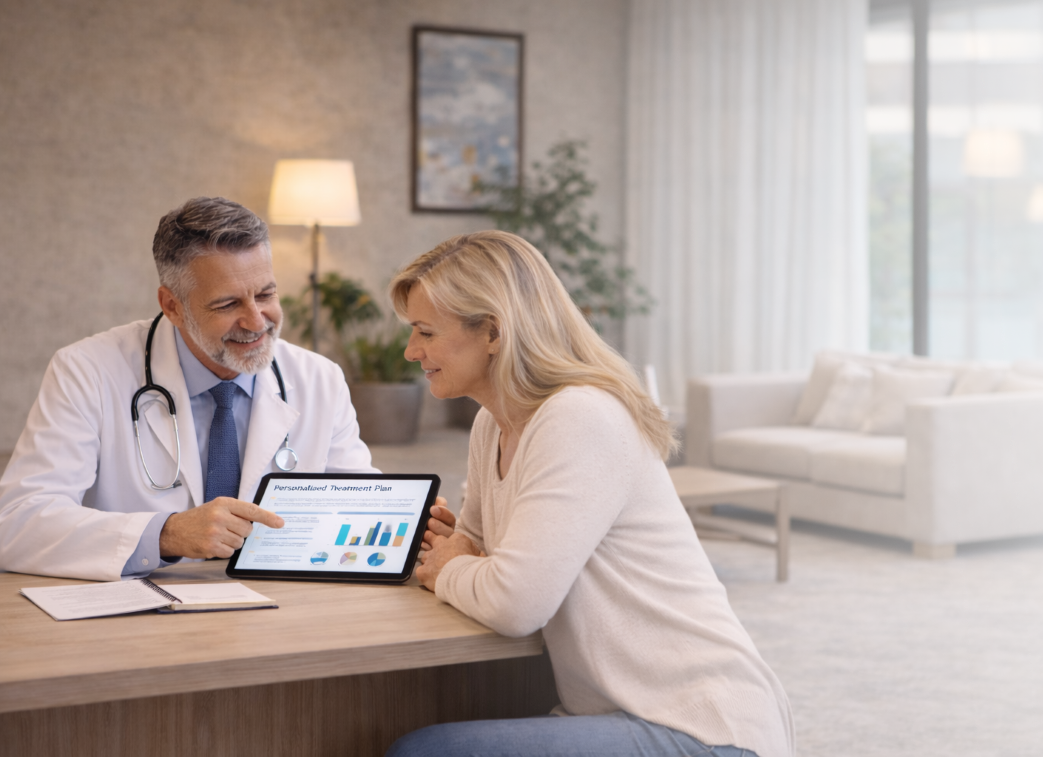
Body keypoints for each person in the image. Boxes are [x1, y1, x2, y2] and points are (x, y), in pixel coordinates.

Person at [386, 231, 794, 757]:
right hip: (619, 710)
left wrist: (453, 566)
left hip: (700, 724)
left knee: (425, 754)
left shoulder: (579, 415)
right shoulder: (493, 424)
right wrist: (455, 555)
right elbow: (477, 552)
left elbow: (515, 603)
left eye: (425, 332)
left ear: (492, 331)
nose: (411, 350)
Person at [0, 196, 378, 582]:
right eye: (228, 304)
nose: (255, 321)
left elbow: (359, 504)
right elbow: (17, 522)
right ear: (172, 305)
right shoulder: (87, 371)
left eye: (265, 295)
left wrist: (412, 525)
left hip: (282, 604)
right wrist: (167, 534)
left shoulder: (320, 378)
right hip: (141, 613)